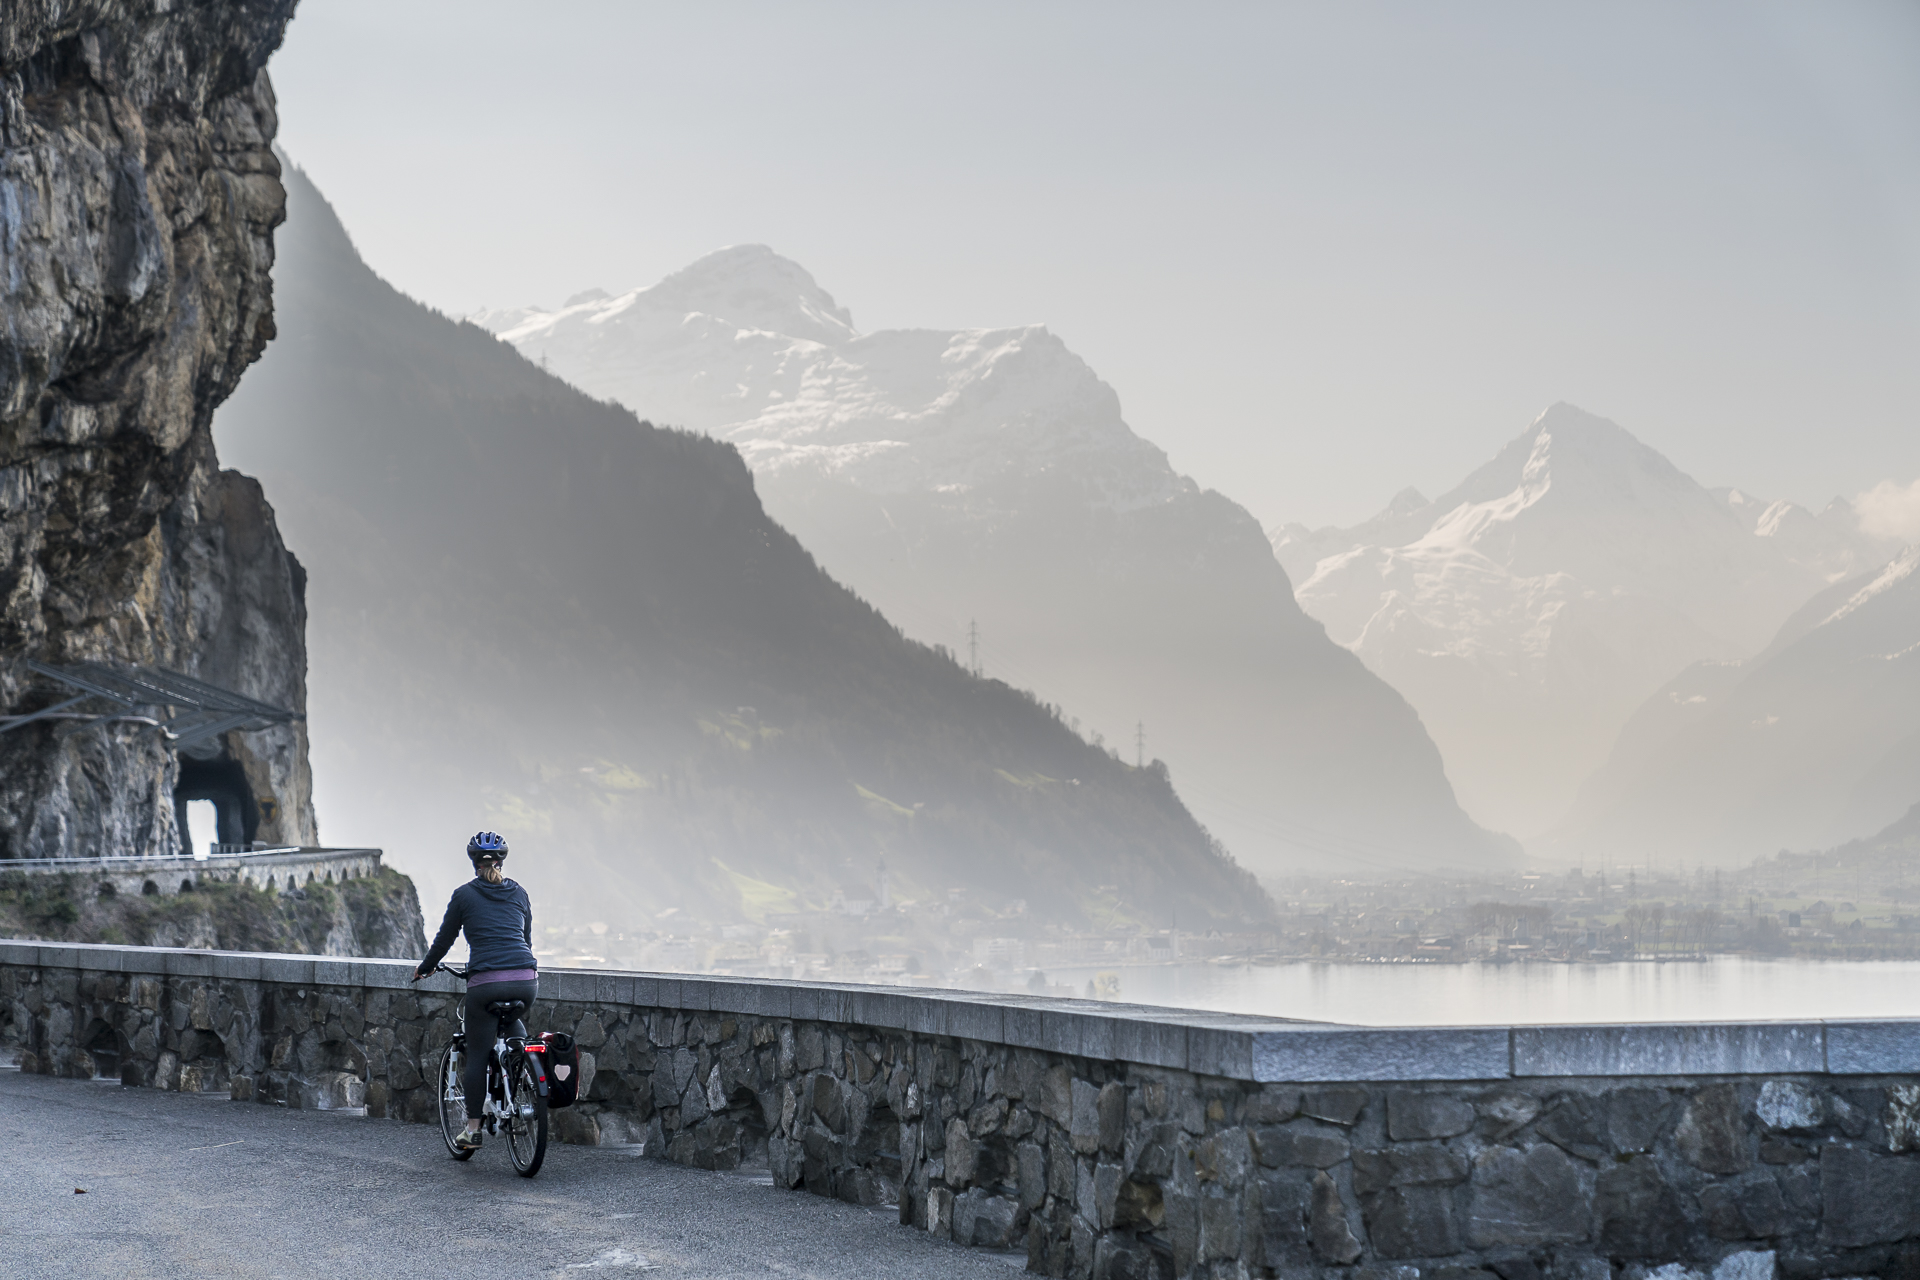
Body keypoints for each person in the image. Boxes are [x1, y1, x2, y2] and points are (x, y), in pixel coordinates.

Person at [412, 830, 537, 1151]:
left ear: (473, 862)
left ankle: (472, 1130)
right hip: (526, 979)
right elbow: (525, 937)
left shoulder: (464, 895)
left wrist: (426, 967)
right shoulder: (520, 893)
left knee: (479, 1053)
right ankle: (520, 1064)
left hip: (486, 983)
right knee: (512, 1024)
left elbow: (444, 939)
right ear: (501, 861)